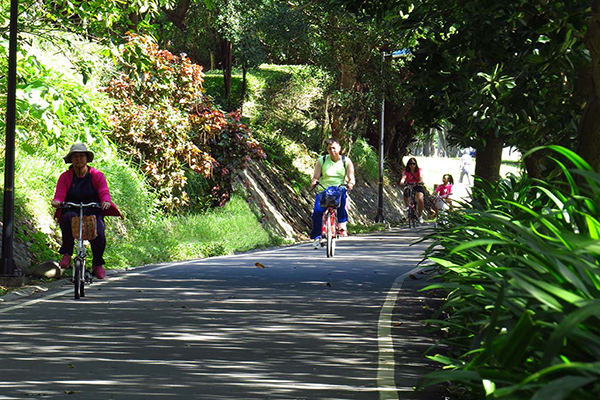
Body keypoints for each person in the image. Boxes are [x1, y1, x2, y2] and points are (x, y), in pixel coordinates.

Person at [51, 143, 121, 279]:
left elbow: (103, 191)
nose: (78, 159)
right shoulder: (65, 177)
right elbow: (60, 194)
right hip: (72, 208)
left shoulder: (96, 175)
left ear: (87, 158)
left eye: (82, 156)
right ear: (71, 159)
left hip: (92, 209)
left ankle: (97, 264)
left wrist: (105, 201)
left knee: (99, 232)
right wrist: (57, 201)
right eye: (75, 156)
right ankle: (67, 253)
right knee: (67, 219)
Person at [309, 138, 355, 249]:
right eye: (329, 148)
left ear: (339, 148)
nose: (332, 150)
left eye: (334, 148)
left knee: (342, 196)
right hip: (324, 189)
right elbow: (316, 177)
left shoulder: (346, 161)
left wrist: (350, 184)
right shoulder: (322, 160)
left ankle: (342, 223)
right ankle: (316, 238)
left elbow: (351, 177)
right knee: (317, 213)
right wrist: (314, 183)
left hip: (338, 188)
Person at [399, 157, 425, 223]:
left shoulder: (419, 170)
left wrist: (421, 181)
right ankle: (407, 207)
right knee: (406, 191)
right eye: (410, 164)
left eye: (413, 164)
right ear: (408, 165)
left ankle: (419, 216)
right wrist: (402, 182)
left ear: (416, 164)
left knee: (420, 199)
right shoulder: (406, 172)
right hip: (409, 185)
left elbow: (421, 177)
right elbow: (403, 178)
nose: (412, 165)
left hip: (417, 185)